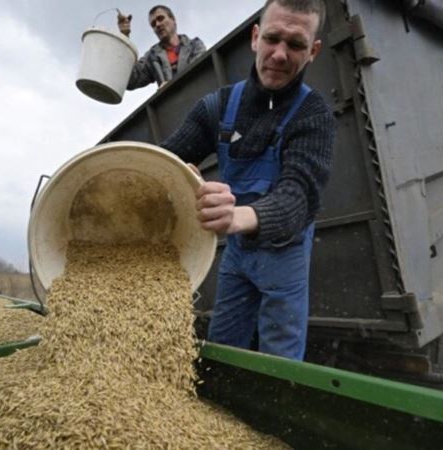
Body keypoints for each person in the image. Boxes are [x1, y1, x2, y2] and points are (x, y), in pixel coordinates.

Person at [161, 0, 335, 360]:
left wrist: (236, 217)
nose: (281, 55)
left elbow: (297, 198)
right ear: (255, 37)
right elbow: (163, 159)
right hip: (238, 257)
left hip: (286, 257)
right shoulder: (219, 106)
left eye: (296, 45)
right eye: (272, 38)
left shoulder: (314, 115)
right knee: (224, 352)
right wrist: (176, 174)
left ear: (313, 51)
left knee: (279, 366)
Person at [117, 5, 206, 89]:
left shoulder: (195, 45)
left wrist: (171, 84)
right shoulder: (152, 56)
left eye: (160, 18)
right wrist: (124, 36)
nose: (157, 25)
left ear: (173, 19)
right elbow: (131, 80)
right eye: (153, 24)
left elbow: (199, 72)